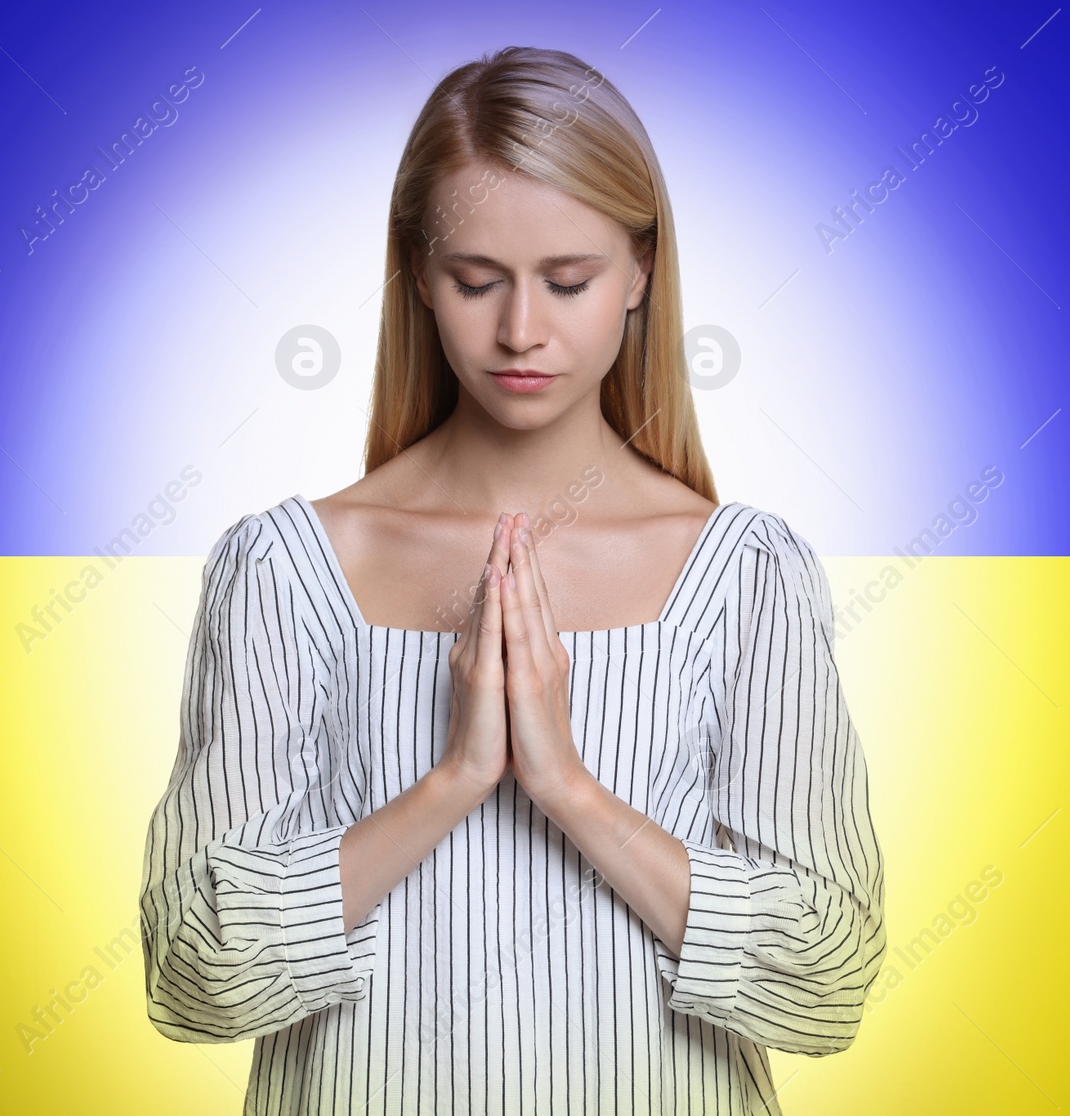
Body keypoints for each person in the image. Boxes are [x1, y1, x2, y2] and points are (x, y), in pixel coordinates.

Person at [138, 45, 885, 1114]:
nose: (520, 330)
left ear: (639, 277)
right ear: (418, 280)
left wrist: (568, 791)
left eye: (567, 281)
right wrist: (449, 785)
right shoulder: (283, 570)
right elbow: (193, 973)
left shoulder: (746, 574)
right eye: (475, 281)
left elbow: (827, 979)